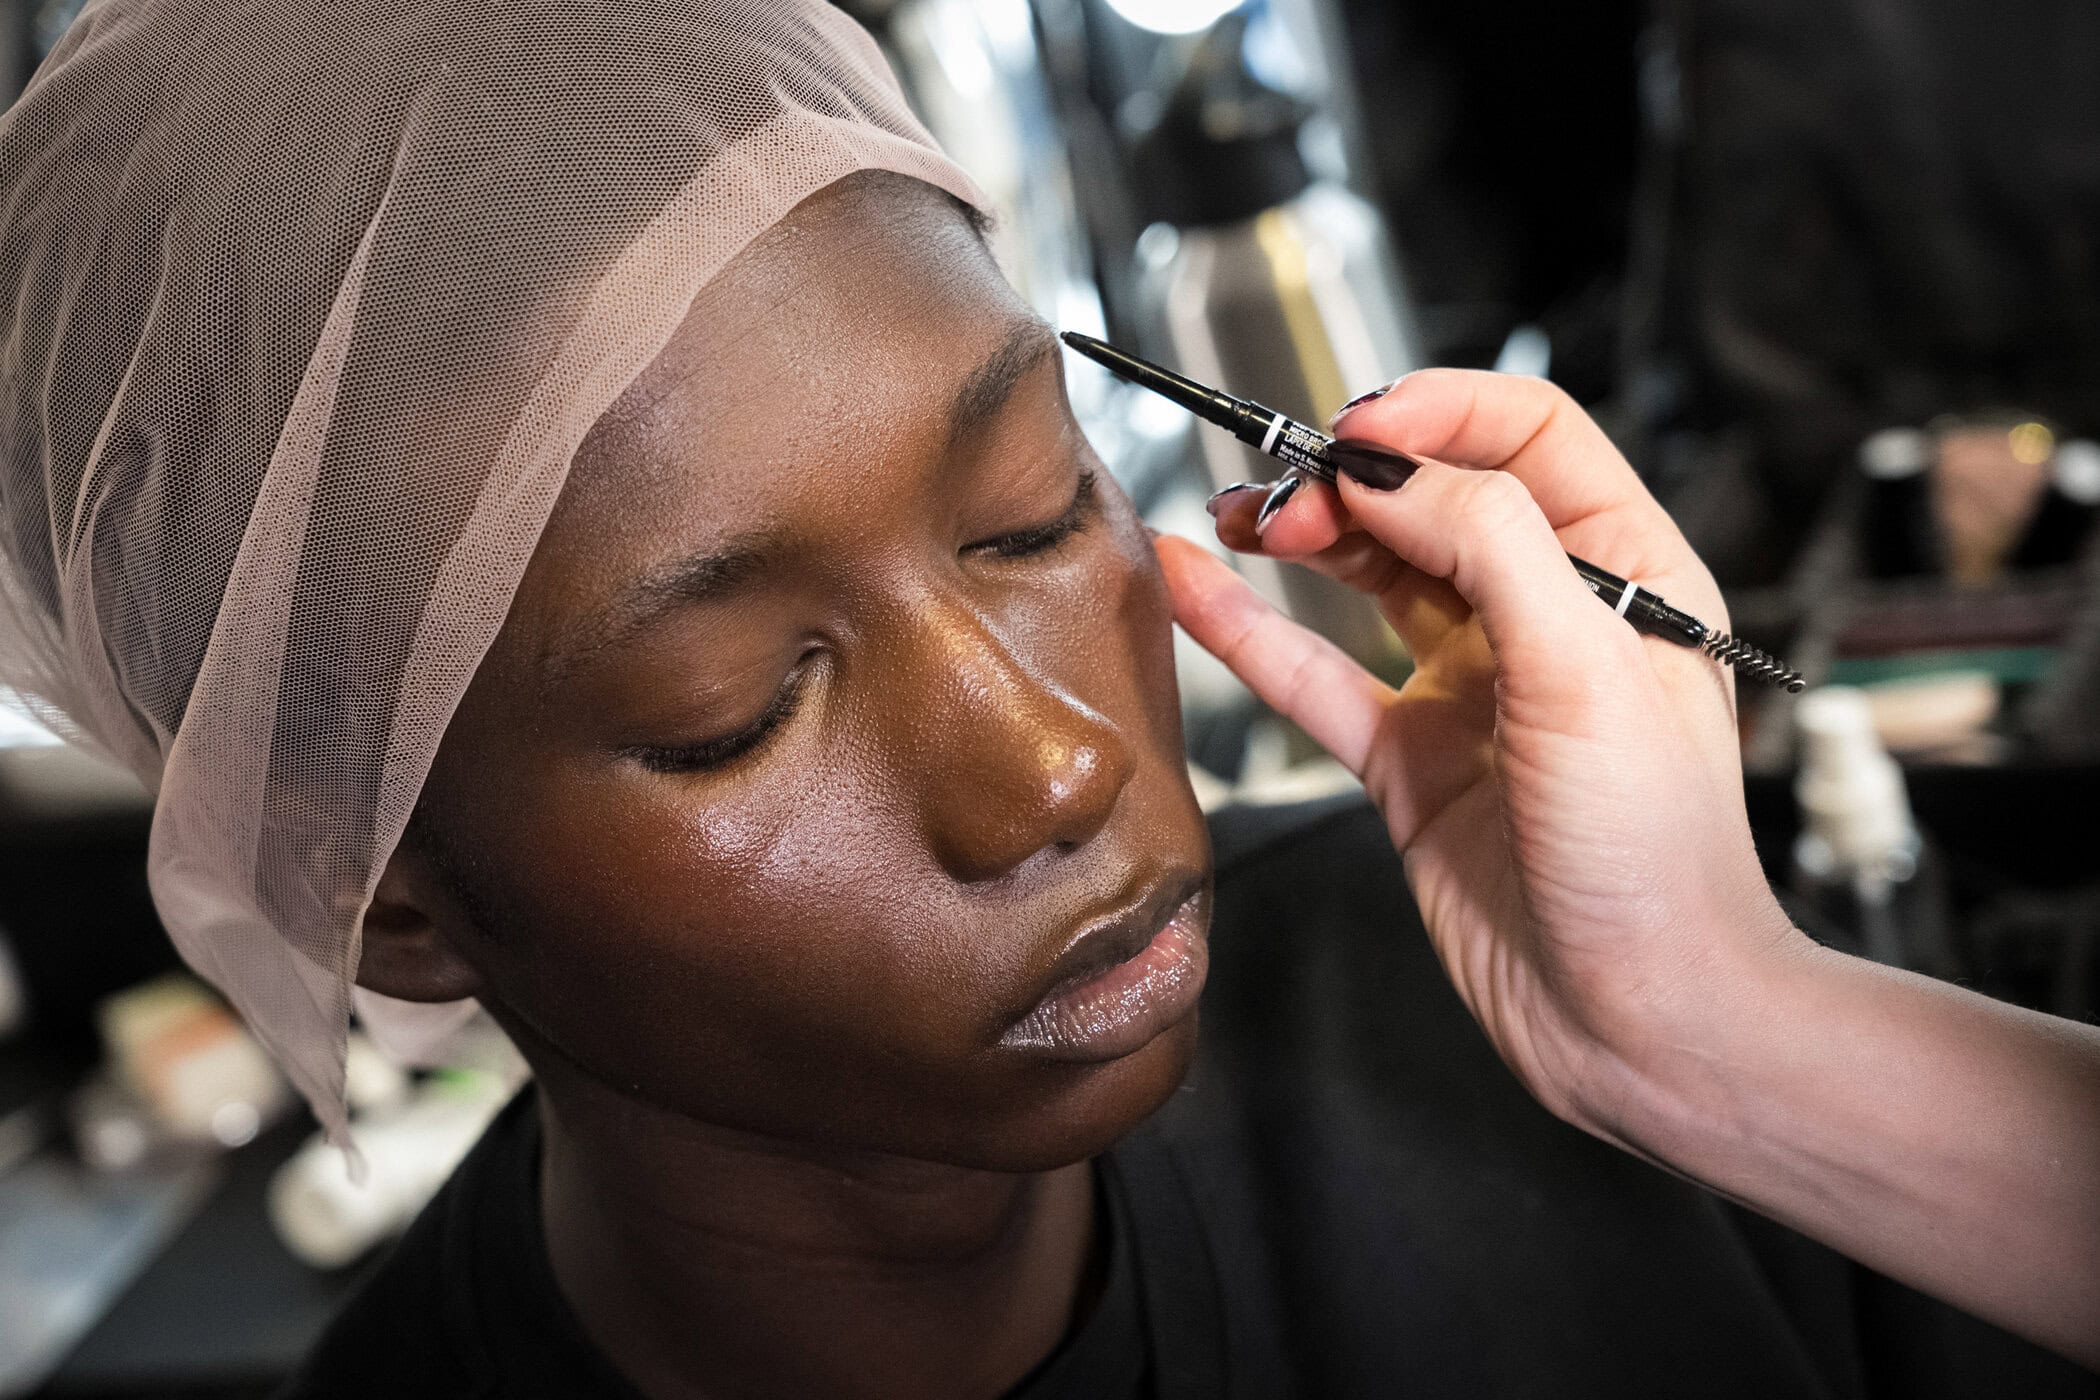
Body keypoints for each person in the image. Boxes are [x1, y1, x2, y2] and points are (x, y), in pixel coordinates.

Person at [0, 3, 2090, 1398]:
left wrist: (1732, 1031)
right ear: (375, 891)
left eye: (1028, 514)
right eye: (735, 707)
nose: (1055, 765)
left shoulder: (1515, 986)